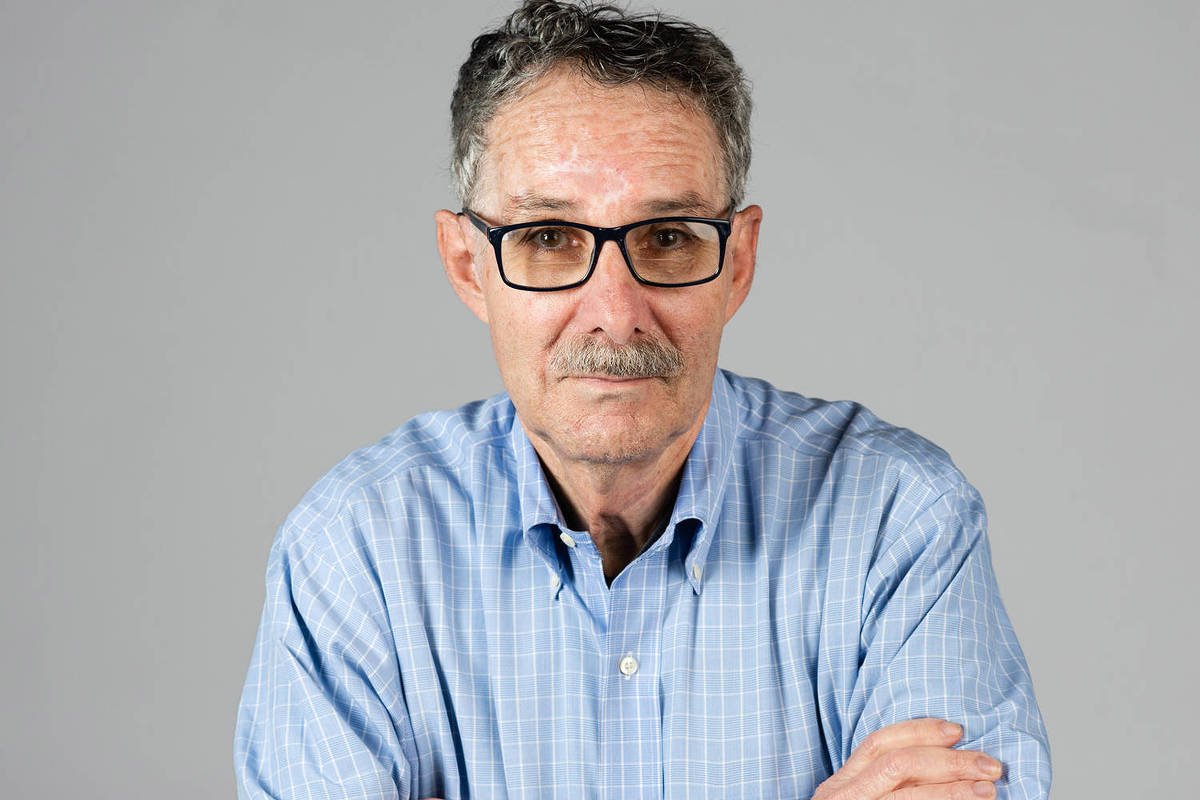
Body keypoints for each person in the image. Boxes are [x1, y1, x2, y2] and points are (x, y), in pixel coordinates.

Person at [234, 1, 1051, 798]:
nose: (616, 312)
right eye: (549, 238)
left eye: (667, 237)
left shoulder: (897, 521)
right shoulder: (356, 553)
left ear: (737, 262)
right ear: (465, 266)